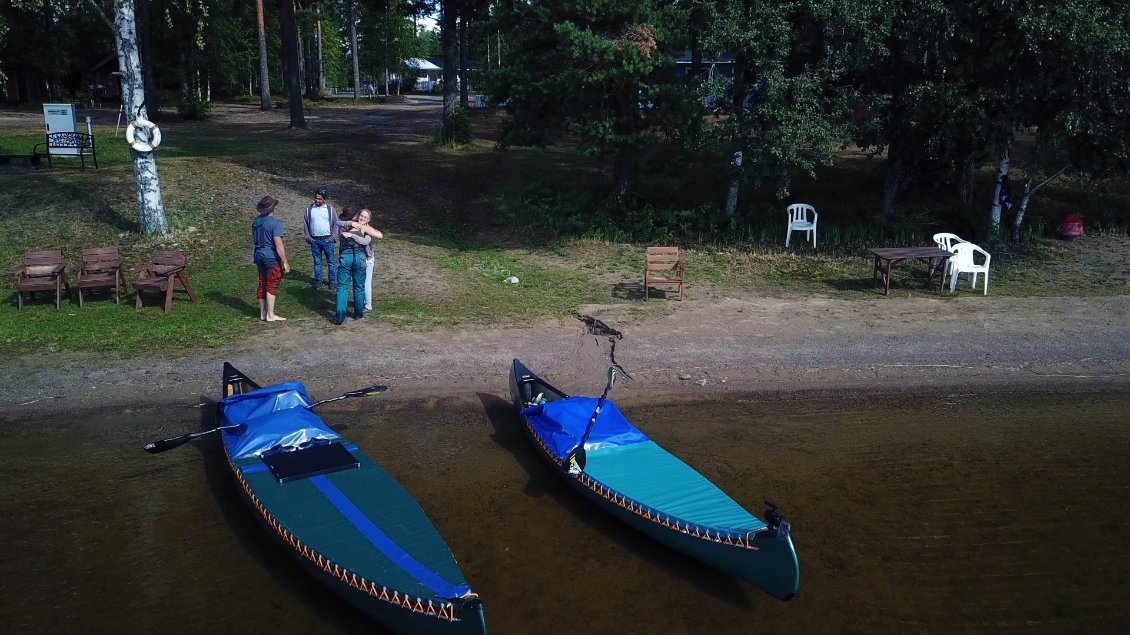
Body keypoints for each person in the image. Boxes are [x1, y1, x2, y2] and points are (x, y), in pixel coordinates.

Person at [252, 195, 290, 322]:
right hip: (270, 256)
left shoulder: (256, 222)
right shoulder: (274, 224)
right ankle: (270, 314)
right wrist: (285, 262)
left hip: (258, 255)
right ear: (272, 208)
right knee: (272, 283)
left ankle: (262, 313)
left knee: (262, 282)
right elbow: (278, 245)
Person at [333, 206, 371, 325]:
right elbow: (367, 240)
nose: (361, 217)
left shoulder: (343, 226)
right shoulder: (363, 228)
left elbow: (336, 222)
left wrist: (352, 233)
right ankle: (358, 313)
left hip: (345, 257)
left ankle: (340, 316)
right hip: (359, 258)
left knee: (342, 287)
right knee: (358, 287)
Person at [302, 186, 340, 289]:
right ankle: (318, 281)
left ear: (324, 199)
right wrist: (308, 237)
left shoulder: (330, 209)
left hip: (327, 240)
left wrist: (332, 238)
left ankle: (332, 282)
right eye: (316, 198)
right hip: (314, 240)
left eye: (320, 199)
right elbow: (305, 223)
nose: (317, 200)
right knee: (317, 262)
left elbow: (336, 224)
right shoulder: (309, 209)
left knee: (331, 262)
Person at [349, 208, 384, 311]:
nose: (362, 218)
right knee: (360, 282)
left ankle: (368, 305)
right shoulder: (355, 225)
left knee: (366, 283)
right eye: (361, 216)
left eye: (365, 217)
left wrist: (367, 229)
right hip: (358, 258)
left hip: (367, 259)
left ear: (368, 220)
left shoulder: (367, 229)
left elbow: (380, 235)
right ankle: (363, 302)